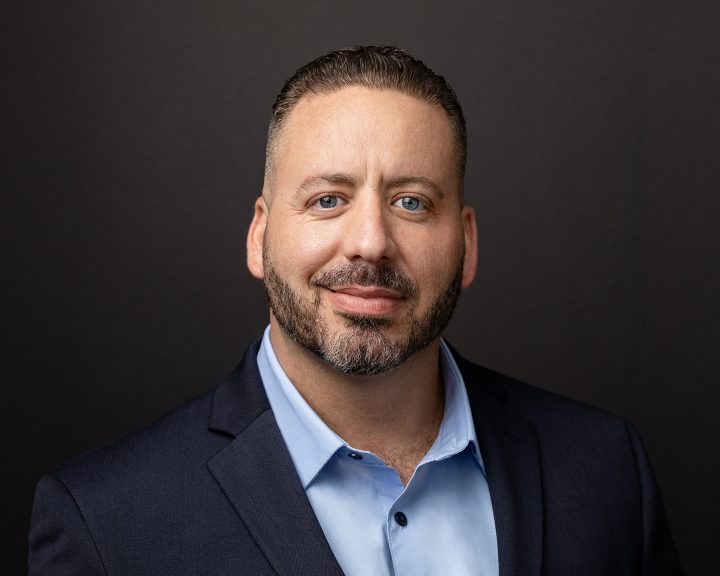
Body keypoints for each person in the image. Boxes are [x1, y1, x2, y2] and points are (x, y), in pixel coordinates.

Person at [29, 46, 683, 575]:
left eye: (411, 203)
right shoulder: (105, 524)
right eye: (327, 200)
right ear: (259, 236)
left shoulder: (605, 469)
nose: (370, 241)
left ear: (468, 244)